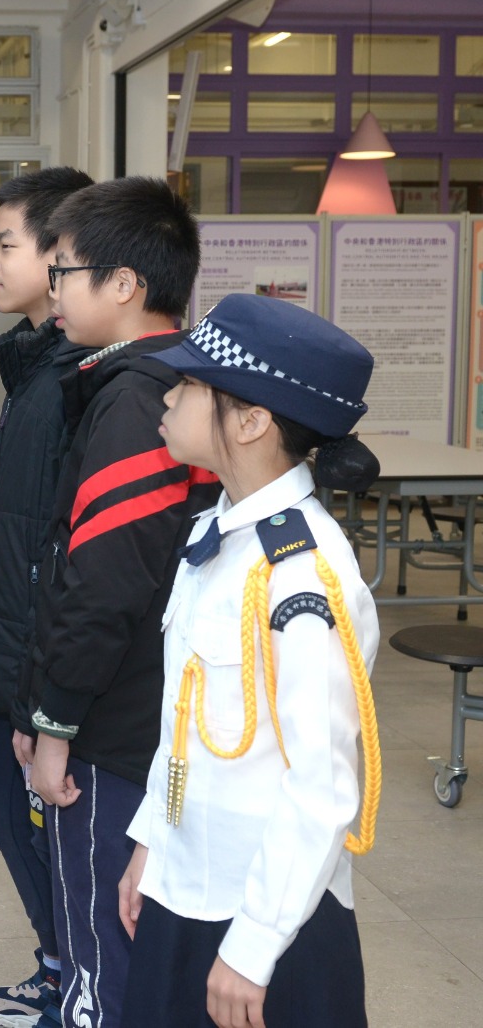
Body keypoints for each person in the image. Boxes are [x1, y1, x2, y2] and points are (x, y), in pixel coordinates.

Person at [117, 294, 382, 1028]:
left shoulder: (301, 576)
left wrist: (255, 946)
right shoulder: (220, 535)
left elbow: (322, 787)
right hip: (187, 889)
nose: (169, 398)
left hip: (266, 920)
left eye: (189, 385)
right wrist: (152, 843)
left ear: (251, 421)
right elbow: (185, 725)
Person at [16, 176, 219, 1027]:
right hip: (159, 714)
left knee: (104, 946)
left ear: (125, 284)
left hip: (117, 725)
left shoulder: (139, 400)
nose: (53, 287)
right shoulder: (176, 379)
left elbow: (102, 586)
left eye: (64, 269)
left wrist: (54, 722)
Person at [0, 166, 93, 1028]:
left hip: (40, 656)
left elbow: (70, 551)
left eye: (6, 246)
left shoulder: (78, 381)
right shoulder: (38, 368)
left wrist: (45, 693)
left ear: (60, 253)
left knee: (24, 811)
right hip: (8, 635)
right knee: (1, 805)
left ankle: (76, 974)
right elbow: (13, 516)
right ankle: (63, 964)